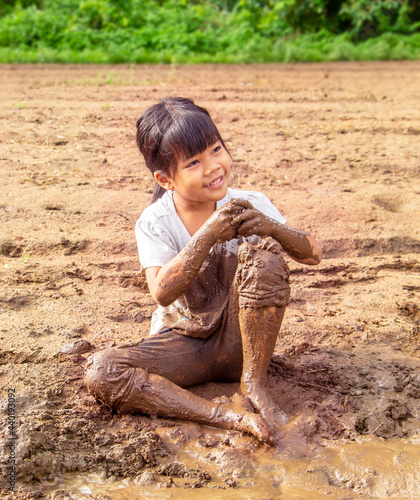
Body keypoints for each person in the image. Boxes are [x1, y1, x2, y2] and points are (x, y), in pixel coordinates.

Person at [84, 97, 322, 443]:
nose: (213, 166)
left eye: (216, 149)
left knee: (266, 258)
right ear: (165, 179)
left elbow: (313, 254)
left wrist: (272, 227)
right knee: (103, 371)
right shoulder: (155, 221)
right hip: (185, 343)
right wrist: (208, 234)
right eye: (194, 162)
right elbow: (161, 292)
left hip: (243, 342)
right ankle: (223, 416)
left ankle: (253, 385)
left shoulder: (249, 202)